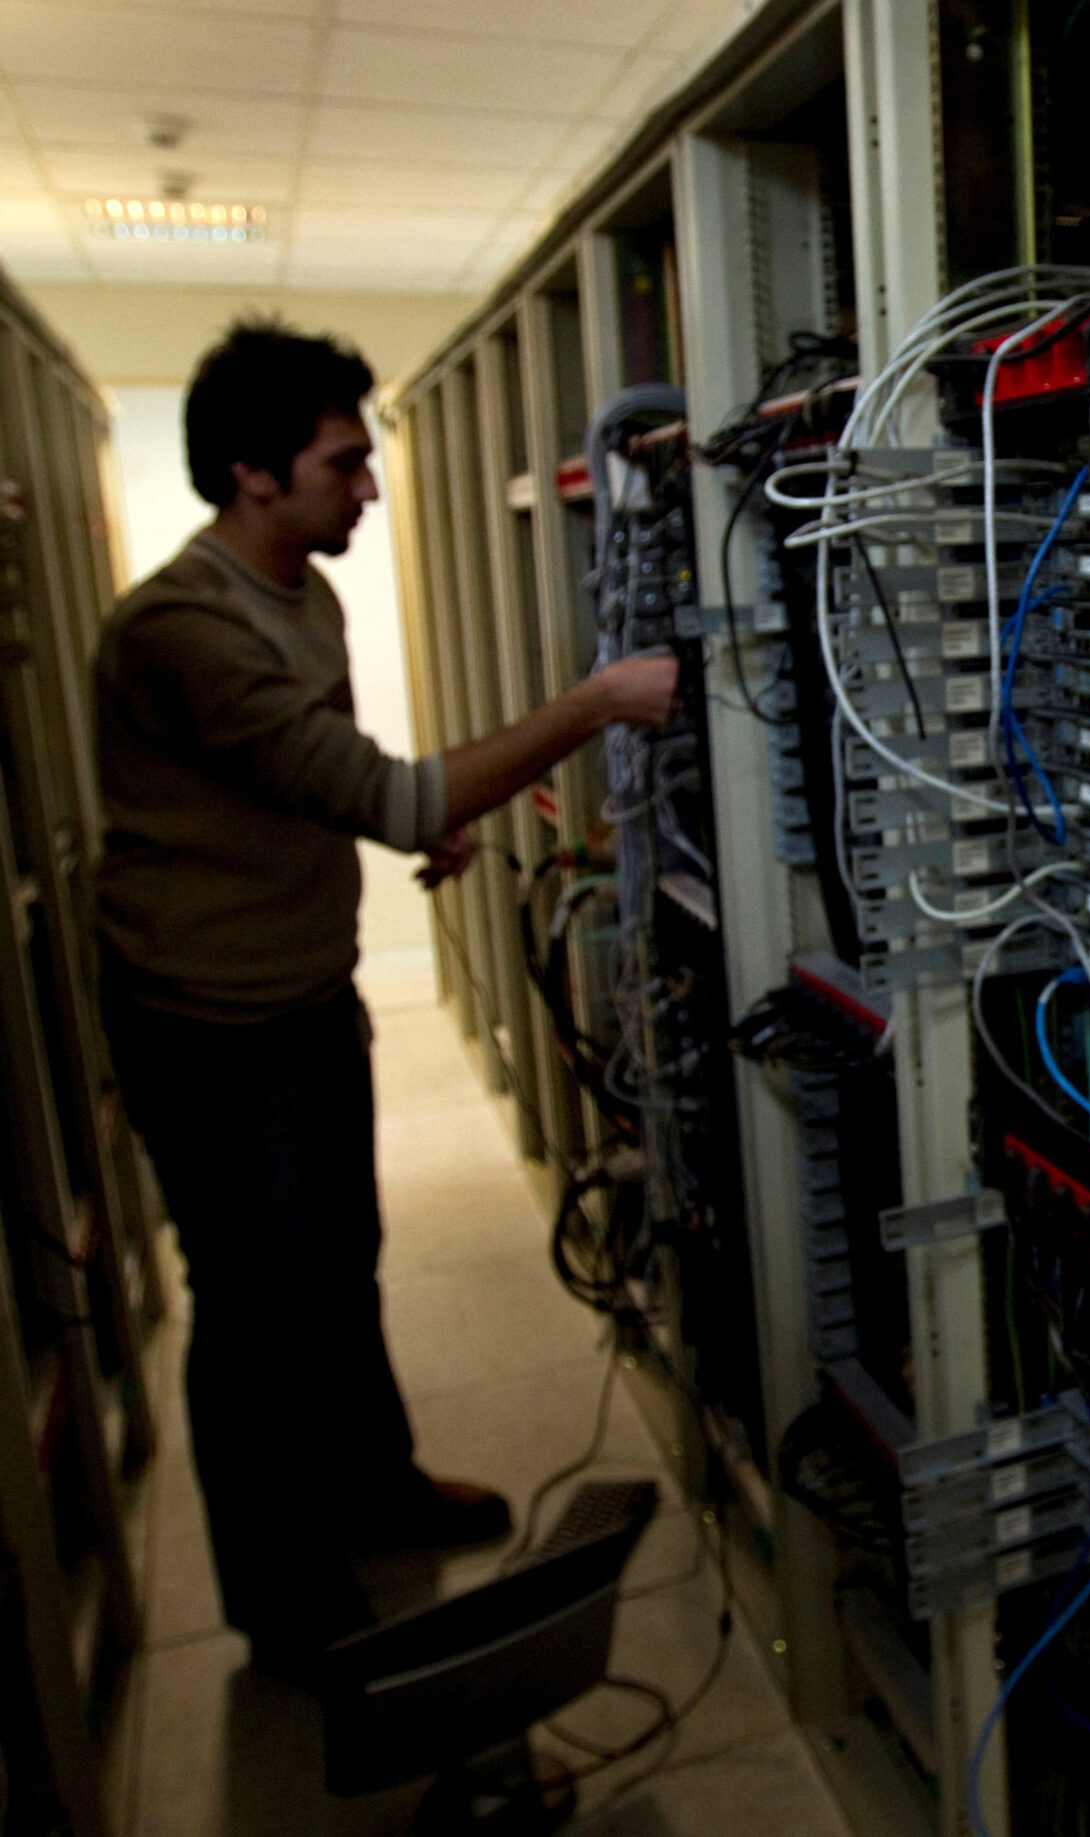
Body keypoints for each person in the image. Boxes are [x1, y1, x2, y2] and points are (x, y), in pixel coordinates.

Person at [90, 318, 679, 1683]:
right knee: (256, 1312)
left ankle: (376, 1486)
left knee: (341, 1263)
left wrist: (401, 816)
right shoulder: (182, 631)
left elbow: (321, 774)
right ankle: (285, 1605)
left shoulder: (300, 590)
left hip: (299, 988)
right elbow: (385, 788)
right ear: (251, 473)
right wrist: (594, 701)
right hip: (206, 1023)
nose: (367, 489)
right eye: (343, 464)